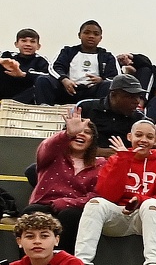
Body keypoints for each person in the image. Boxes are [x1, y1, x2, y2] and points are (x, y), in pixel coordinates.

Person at [76, 119, 156, 265]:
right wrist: (123, 160)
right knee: (95, 203)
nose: (144, 139)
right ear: (130, 136)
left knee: (151, 205)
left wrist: (140, 200)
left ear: (155, 140)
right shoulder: (116, 159)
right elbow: (108, 195)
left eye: (149, 136)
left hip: (149, 218)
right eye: (139, 135)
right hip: (119, 215)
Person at [24, 109, 103, 254]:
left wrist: (66, 202)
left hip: (75, 208)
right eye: (77, 131)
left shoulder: (101, 164)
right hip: (44, 203)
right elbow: (47, 147)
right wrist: (67, 134)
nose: (81, 134)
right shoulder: (52, 155)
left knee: (70, 215)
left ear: (93, 140)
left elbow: (97, 195)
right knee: (33, 213)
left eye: (87, 132)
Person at [35, 21, 117, 106]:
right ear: (79, 35)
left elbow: (116, 78)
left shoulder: (107, 56)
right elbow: (54, 68)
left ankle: (101, 114)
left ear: (100, 38)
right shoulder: (67, 51)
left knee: (108, 85)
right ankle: (45, 109)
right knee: (43, 79)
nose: (91, 36)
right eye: (86, 33)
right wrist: (64, 80)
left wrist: (101, 80)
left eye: (96, 34)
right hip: (68, 89)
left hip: (93, 92)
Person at [74, 74, 146, 146]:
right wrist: (98, 152)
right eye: (130, 96)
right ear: (113, 95)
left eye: (138, 96)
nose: (137, 101)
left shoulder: (139, 119)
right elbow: (68, 141)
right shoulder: (86, 108)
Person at [0, 28, 50, 103]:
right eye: (23, 41)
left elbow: (47, 78)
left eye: (32, 41)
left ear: (38, 46)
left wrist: (23, 75)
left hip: (25, 100)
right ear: (16, 44)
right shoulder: (8, 56)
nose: (28, 44)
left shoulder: (41, 61)